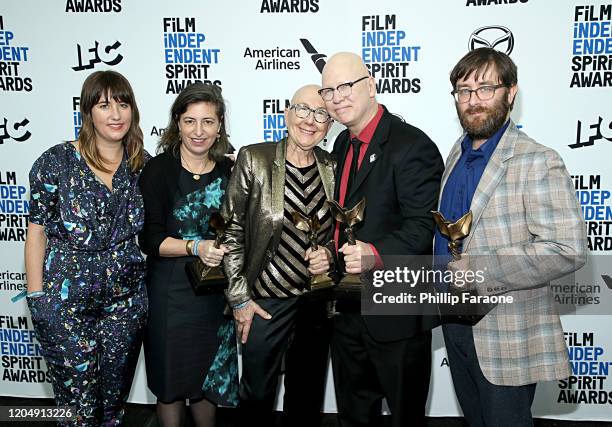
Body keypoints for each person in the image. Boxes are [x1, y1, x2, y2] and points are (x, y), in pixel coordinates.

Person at [435, 47, 587, 426]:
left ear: (511, 92)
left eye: (485, 88)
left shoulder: (538, 160)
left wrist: (479, 269)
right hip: (454, 325)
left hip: (506, 334)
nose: (473, 101)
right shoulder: (455, 153)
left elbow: (567, 249)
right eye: (463, 91)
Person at [319, 52, 444, 427]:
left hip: (396, 312)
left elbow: (425, 225)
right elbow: (343, 223)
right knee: (354, 416)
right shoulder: (341, 146)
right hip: (347, 311)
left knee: (406, 417)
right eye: (328, 90)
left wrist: (374, 254)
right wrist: (328, 252)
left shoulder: (411, 145)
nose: (337, 97)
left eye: (346, 86)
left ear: (371, 85)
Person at [24, 70, 148, 425]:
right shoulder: (55, 162)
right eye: (104, 105)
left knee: (112, 406)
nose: (115, 114)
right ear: (87, 111)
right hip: (64, 306)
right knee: (76, 409)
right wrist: (37, 298)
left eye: (123, 104)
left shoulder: (143, 165)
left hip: (126, 305)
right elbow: (36, 232)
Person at [222, 84, 335, 427]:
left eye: (321, 114)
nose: (310, 120)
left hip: (315, 302)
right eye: (302, 109)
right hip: (265, 302)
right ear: (286, 115)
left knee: (307, 395)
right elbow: (231, 231)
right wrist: (240, 298)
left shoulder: (333, 166)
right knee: (256, 396)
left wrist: (329, 254)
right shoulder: (254, 158)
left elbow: (342, 232)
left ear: (330, 125)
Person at [138, 82, 238, 427]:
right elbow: (150, 240)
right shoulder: (158, 171)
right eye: (190, 121)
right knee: (170, 386)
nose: (199, 131)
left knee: (207, 383)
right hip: (170, 296)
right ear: (177, 122)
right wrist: (196, 246)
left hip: (215, 297)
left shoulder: (230, 172)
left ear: (220, 125)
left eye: (208, 122)